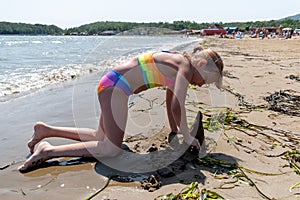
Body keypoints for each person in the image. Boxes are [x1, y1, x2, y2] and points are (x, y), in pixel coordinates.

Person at [18, 45, 224, 172]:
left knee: (100, 136)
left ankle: (47, 130)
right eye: (206, 80)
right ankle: (48, 151)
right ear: (202, 64)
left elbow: (171, 98)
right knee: (111, 149)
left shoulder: (177, 61)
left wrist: (175, 131)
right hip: (116, 88)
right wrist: (187, 136)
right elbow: (177, 104)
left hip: (111, 83)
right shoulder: (185, 68)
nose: (201, 85)